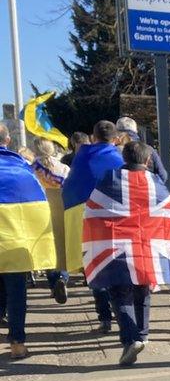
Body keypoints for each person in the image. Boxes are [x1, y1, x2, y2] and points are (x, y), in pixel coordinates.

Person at [82, 140, 170, 366]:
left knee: (119, 292)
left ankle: (130, 340)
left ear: (125, 158)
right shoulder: (156, 183)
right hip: (147, 246)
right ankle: (142, 335)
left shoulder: (109, 180)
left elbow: (92, 211)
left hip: (116, 247)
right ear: (148, 160)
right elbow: (167, 215)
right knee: (143, 289)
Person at [0, 124, 57, 359]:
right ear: (9, 140)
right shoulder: (23, 168)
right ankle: (17, 342)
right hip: (14, 242)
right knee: (16, 291)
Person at [62, 121, 124, 333]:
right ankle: (121, 315)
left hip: (85, 215)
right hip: (113, 215)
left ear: (93, 137)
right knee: (115, 266)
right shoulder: (119, 159)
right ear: (116, 138)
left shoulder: (81, 157)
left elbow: (70, 187)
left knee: (93, 267)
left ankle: (104, 318)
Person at [31, 137, 71, 304]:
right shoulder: (63, 167)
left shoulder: (31, 168)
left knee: (46, 247)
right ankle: (63, 276)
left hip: (41, 208)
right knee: (62, 245)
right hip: (61, 206)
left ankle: (54, 282)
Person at [115, 117, 168, 183]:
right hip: (146, 188)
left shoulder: (112, 150)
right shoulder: (148, 150)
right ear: (136, 131)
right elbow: (163, 175)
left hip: (121, 189)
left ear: (117, 132)